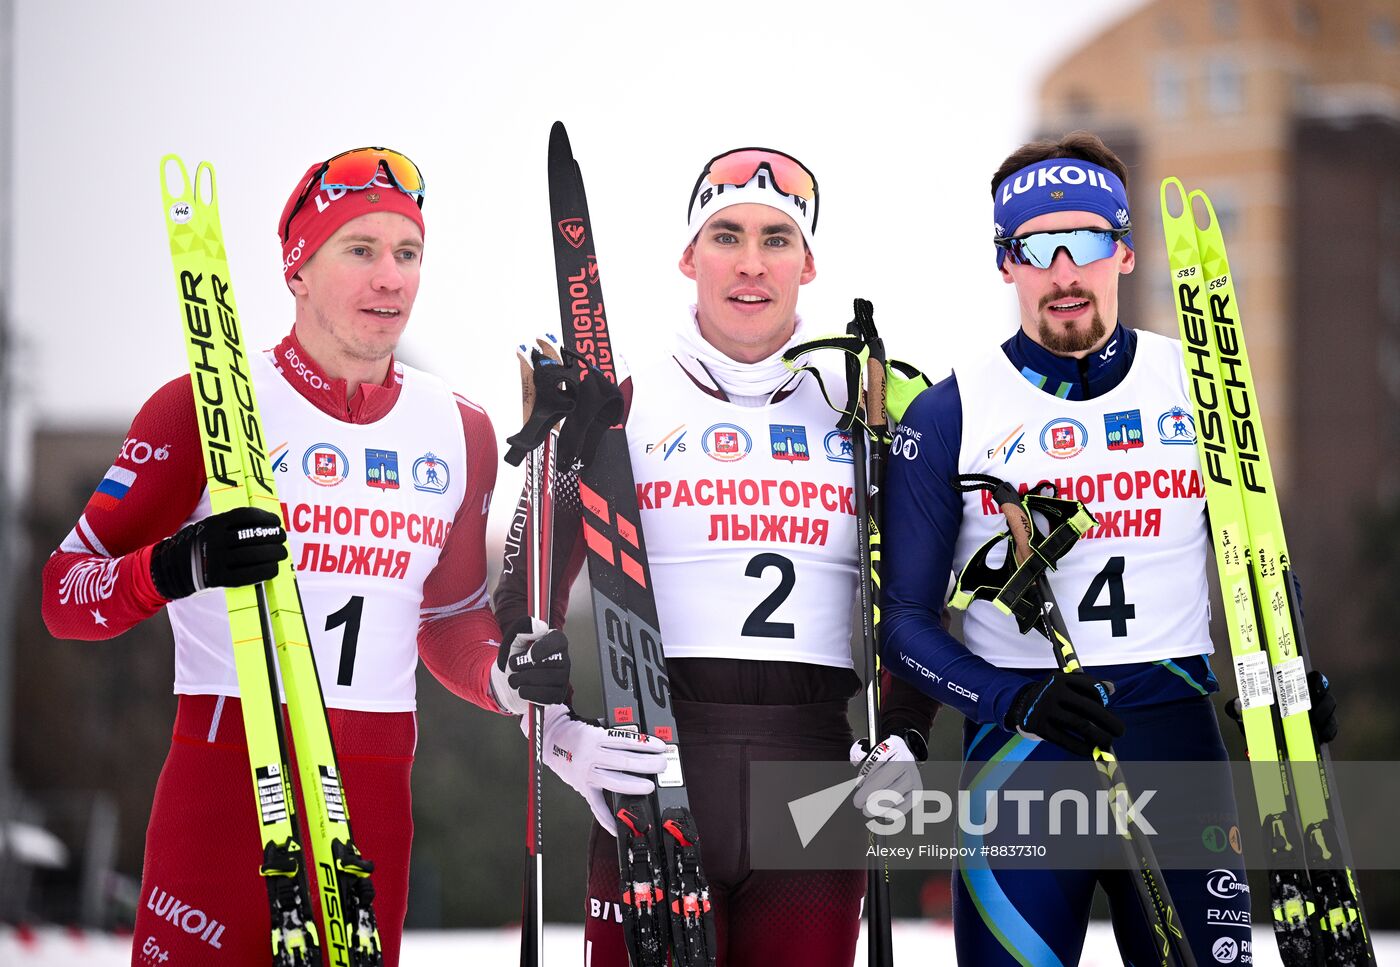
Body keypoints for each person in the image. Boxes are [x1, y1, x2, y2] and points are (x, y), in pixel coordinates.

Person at [41, 147, 565, 967]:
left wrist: (504, 677)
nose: (389, 278)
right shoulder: (206, 405)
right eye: (360, 250)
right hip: (222, 791)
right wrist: (178, 566)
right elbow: (63, 595)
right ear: (299, 269)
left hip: (374, 797)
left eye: (408, 253)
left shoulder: (458, 430)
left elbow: (447, 616)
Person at [880, 131, 1338, 965]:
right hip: (1020, 762)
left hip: (1176, 742)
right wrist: (1005, 700)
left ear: (1124, 250)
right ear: (1004, 263)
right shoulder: (949, 413)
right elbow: (903, 624)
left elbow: (1255, 556)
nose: (1064, 271)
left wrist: (1292, 680)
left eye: (1087, 240)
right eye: (1035, 247)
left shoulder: (1202, 385)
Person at [494, 147, 937, 966]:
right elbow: (520, 604)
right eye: (726, 234)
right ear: (689, 256)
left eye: (777, 238)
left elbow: (913, 594)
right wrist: (556, 733)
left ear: (808, 263)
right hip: (652, 763)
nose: (750, 262)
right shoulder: (619, 400)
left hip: (815, 781)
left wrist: (908, 734)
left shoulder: (865, 403)